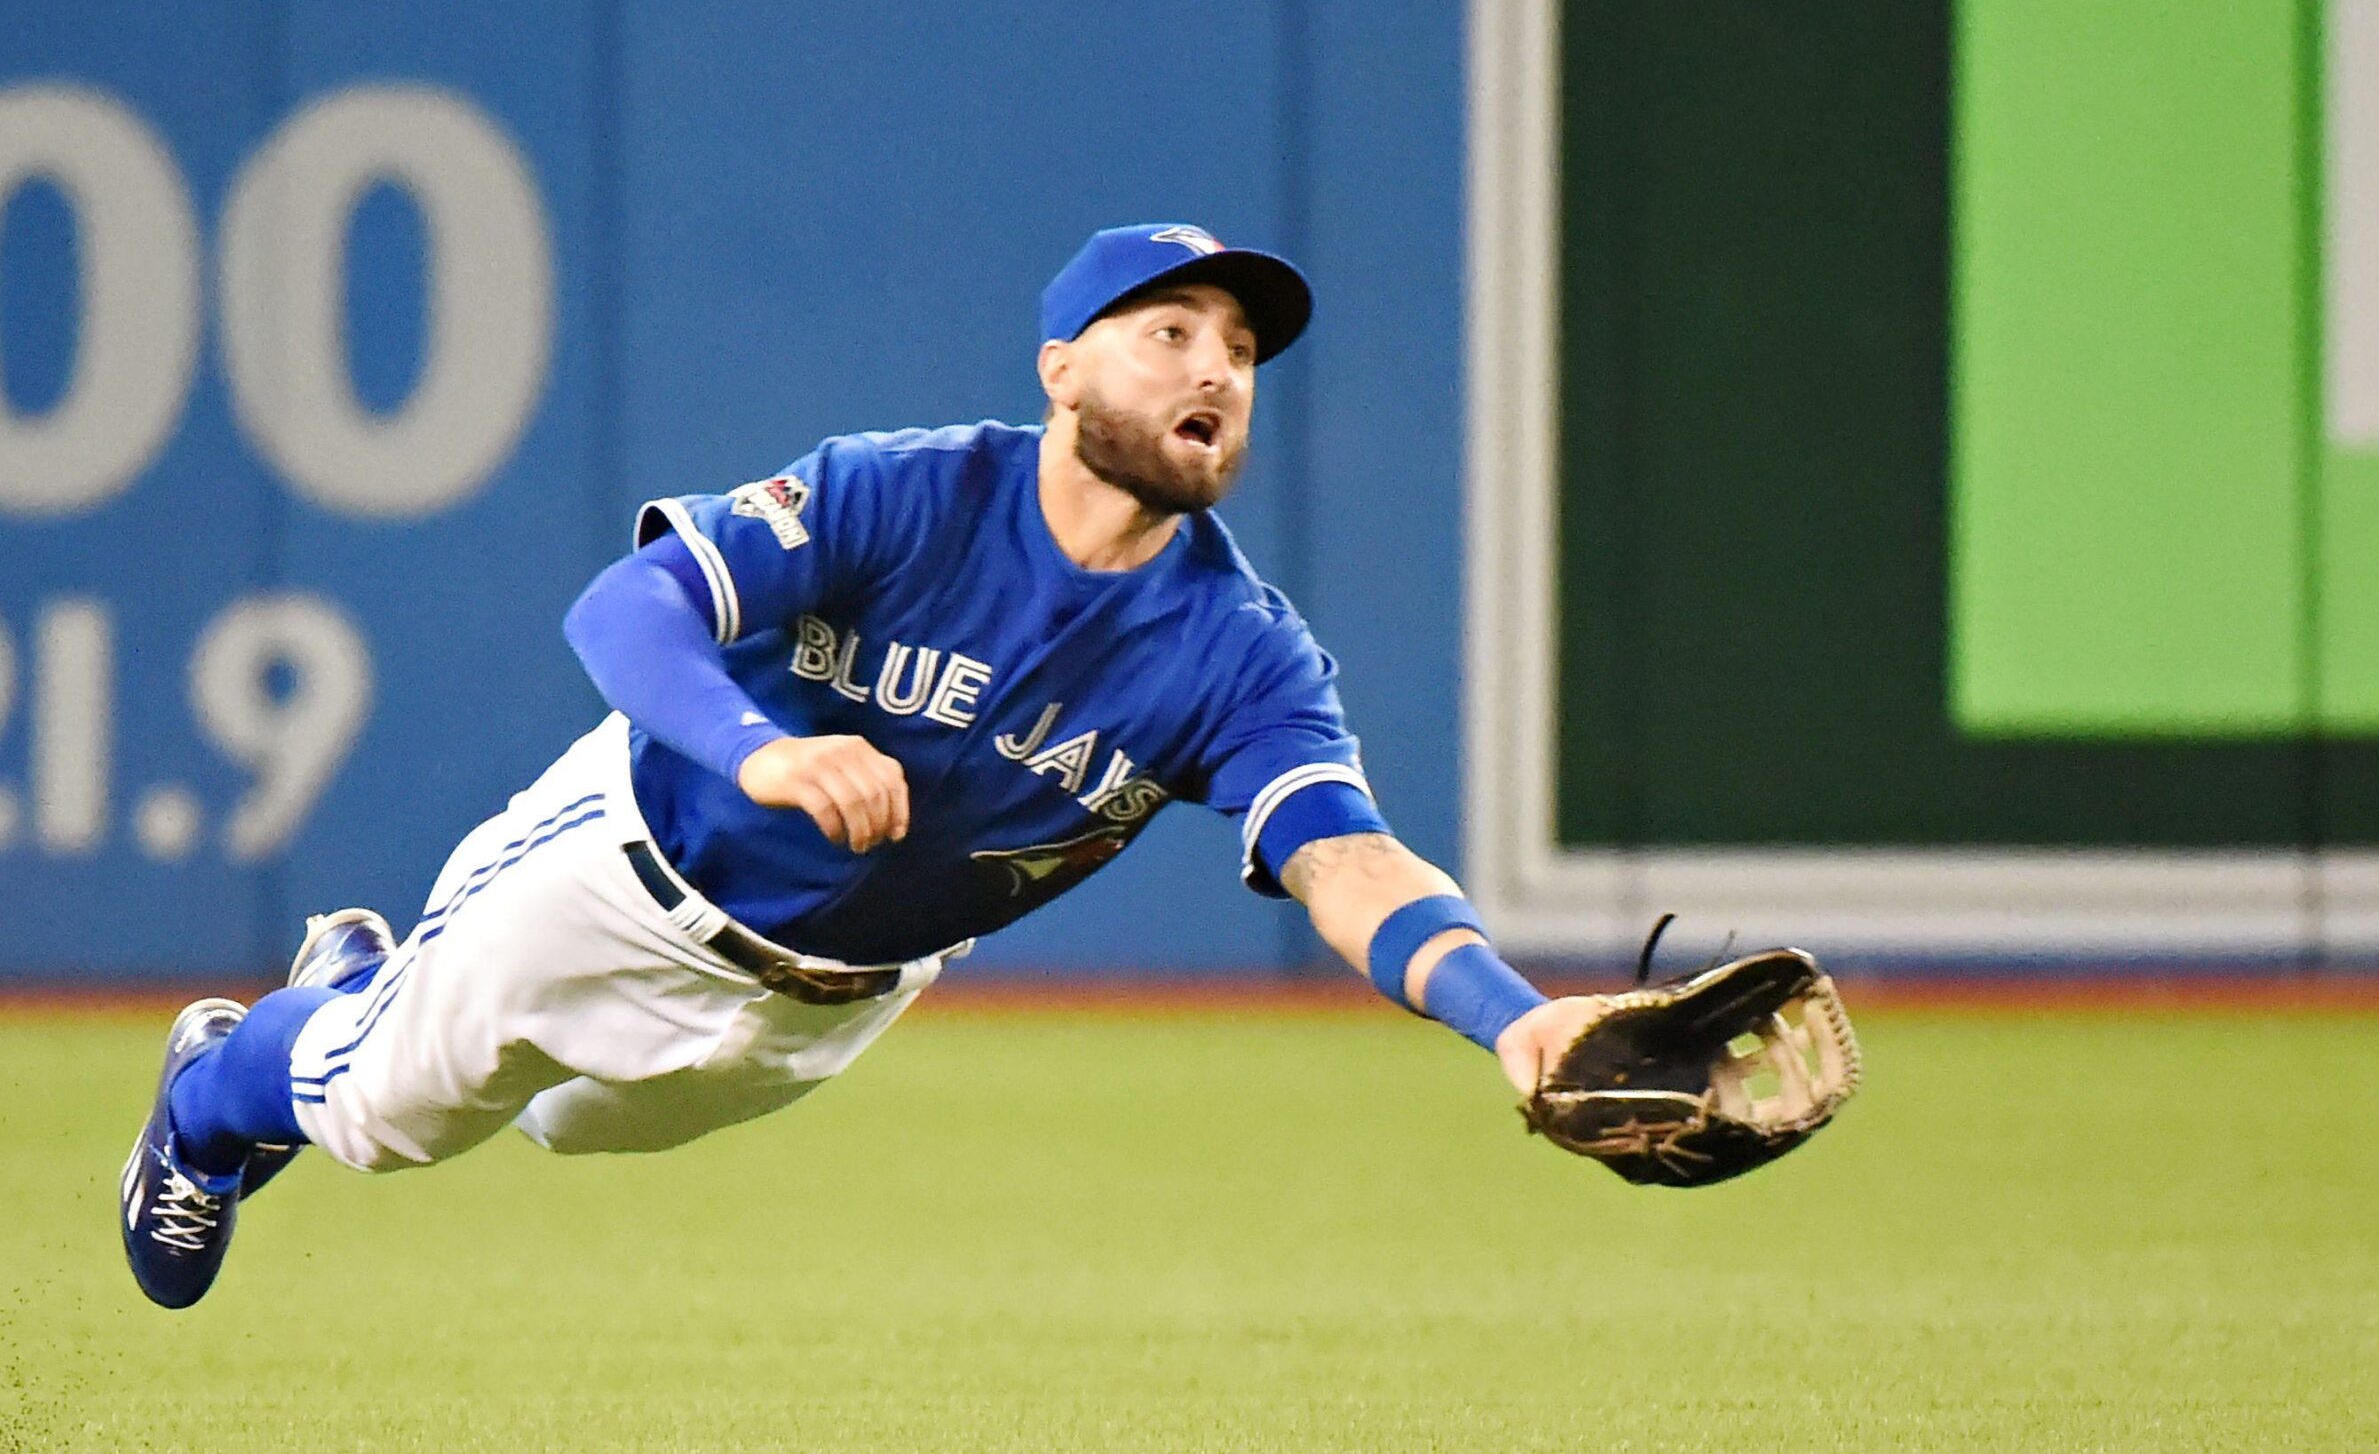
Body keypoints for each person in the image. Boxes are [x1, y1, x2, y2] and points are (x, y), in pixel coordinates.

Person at [120, 222, 1607, 1310]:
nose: (1214, 364)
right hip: (623, 870)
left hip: (823, 1006)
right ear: (1061, 368)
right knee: (390, 1122)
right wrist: (763, 754)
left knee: (570, 1126)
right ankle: (209, 1093)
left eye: (1238, 348)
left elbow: (1347, 859)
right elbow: (625, 606)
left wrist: (1515, 1024)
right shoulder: (905, 493)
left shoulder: (1241, 654)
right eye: (1170, 331)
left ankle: (370, 985)